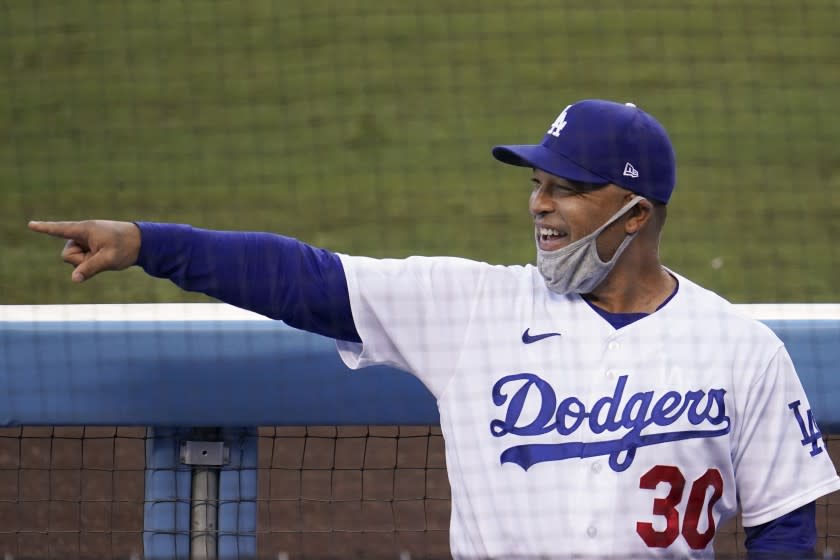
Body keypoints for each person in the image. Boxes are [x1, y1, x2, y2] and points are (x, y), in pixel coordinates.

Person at [30, 99, 840, 558]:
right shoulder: (471, 309)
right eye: (536, 185)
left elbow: (786, 529)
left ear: (636, 215)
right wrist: (148, 244)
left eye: (565, 189)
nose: (539, 205)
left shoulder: (740, 351)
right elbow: (303, 280)